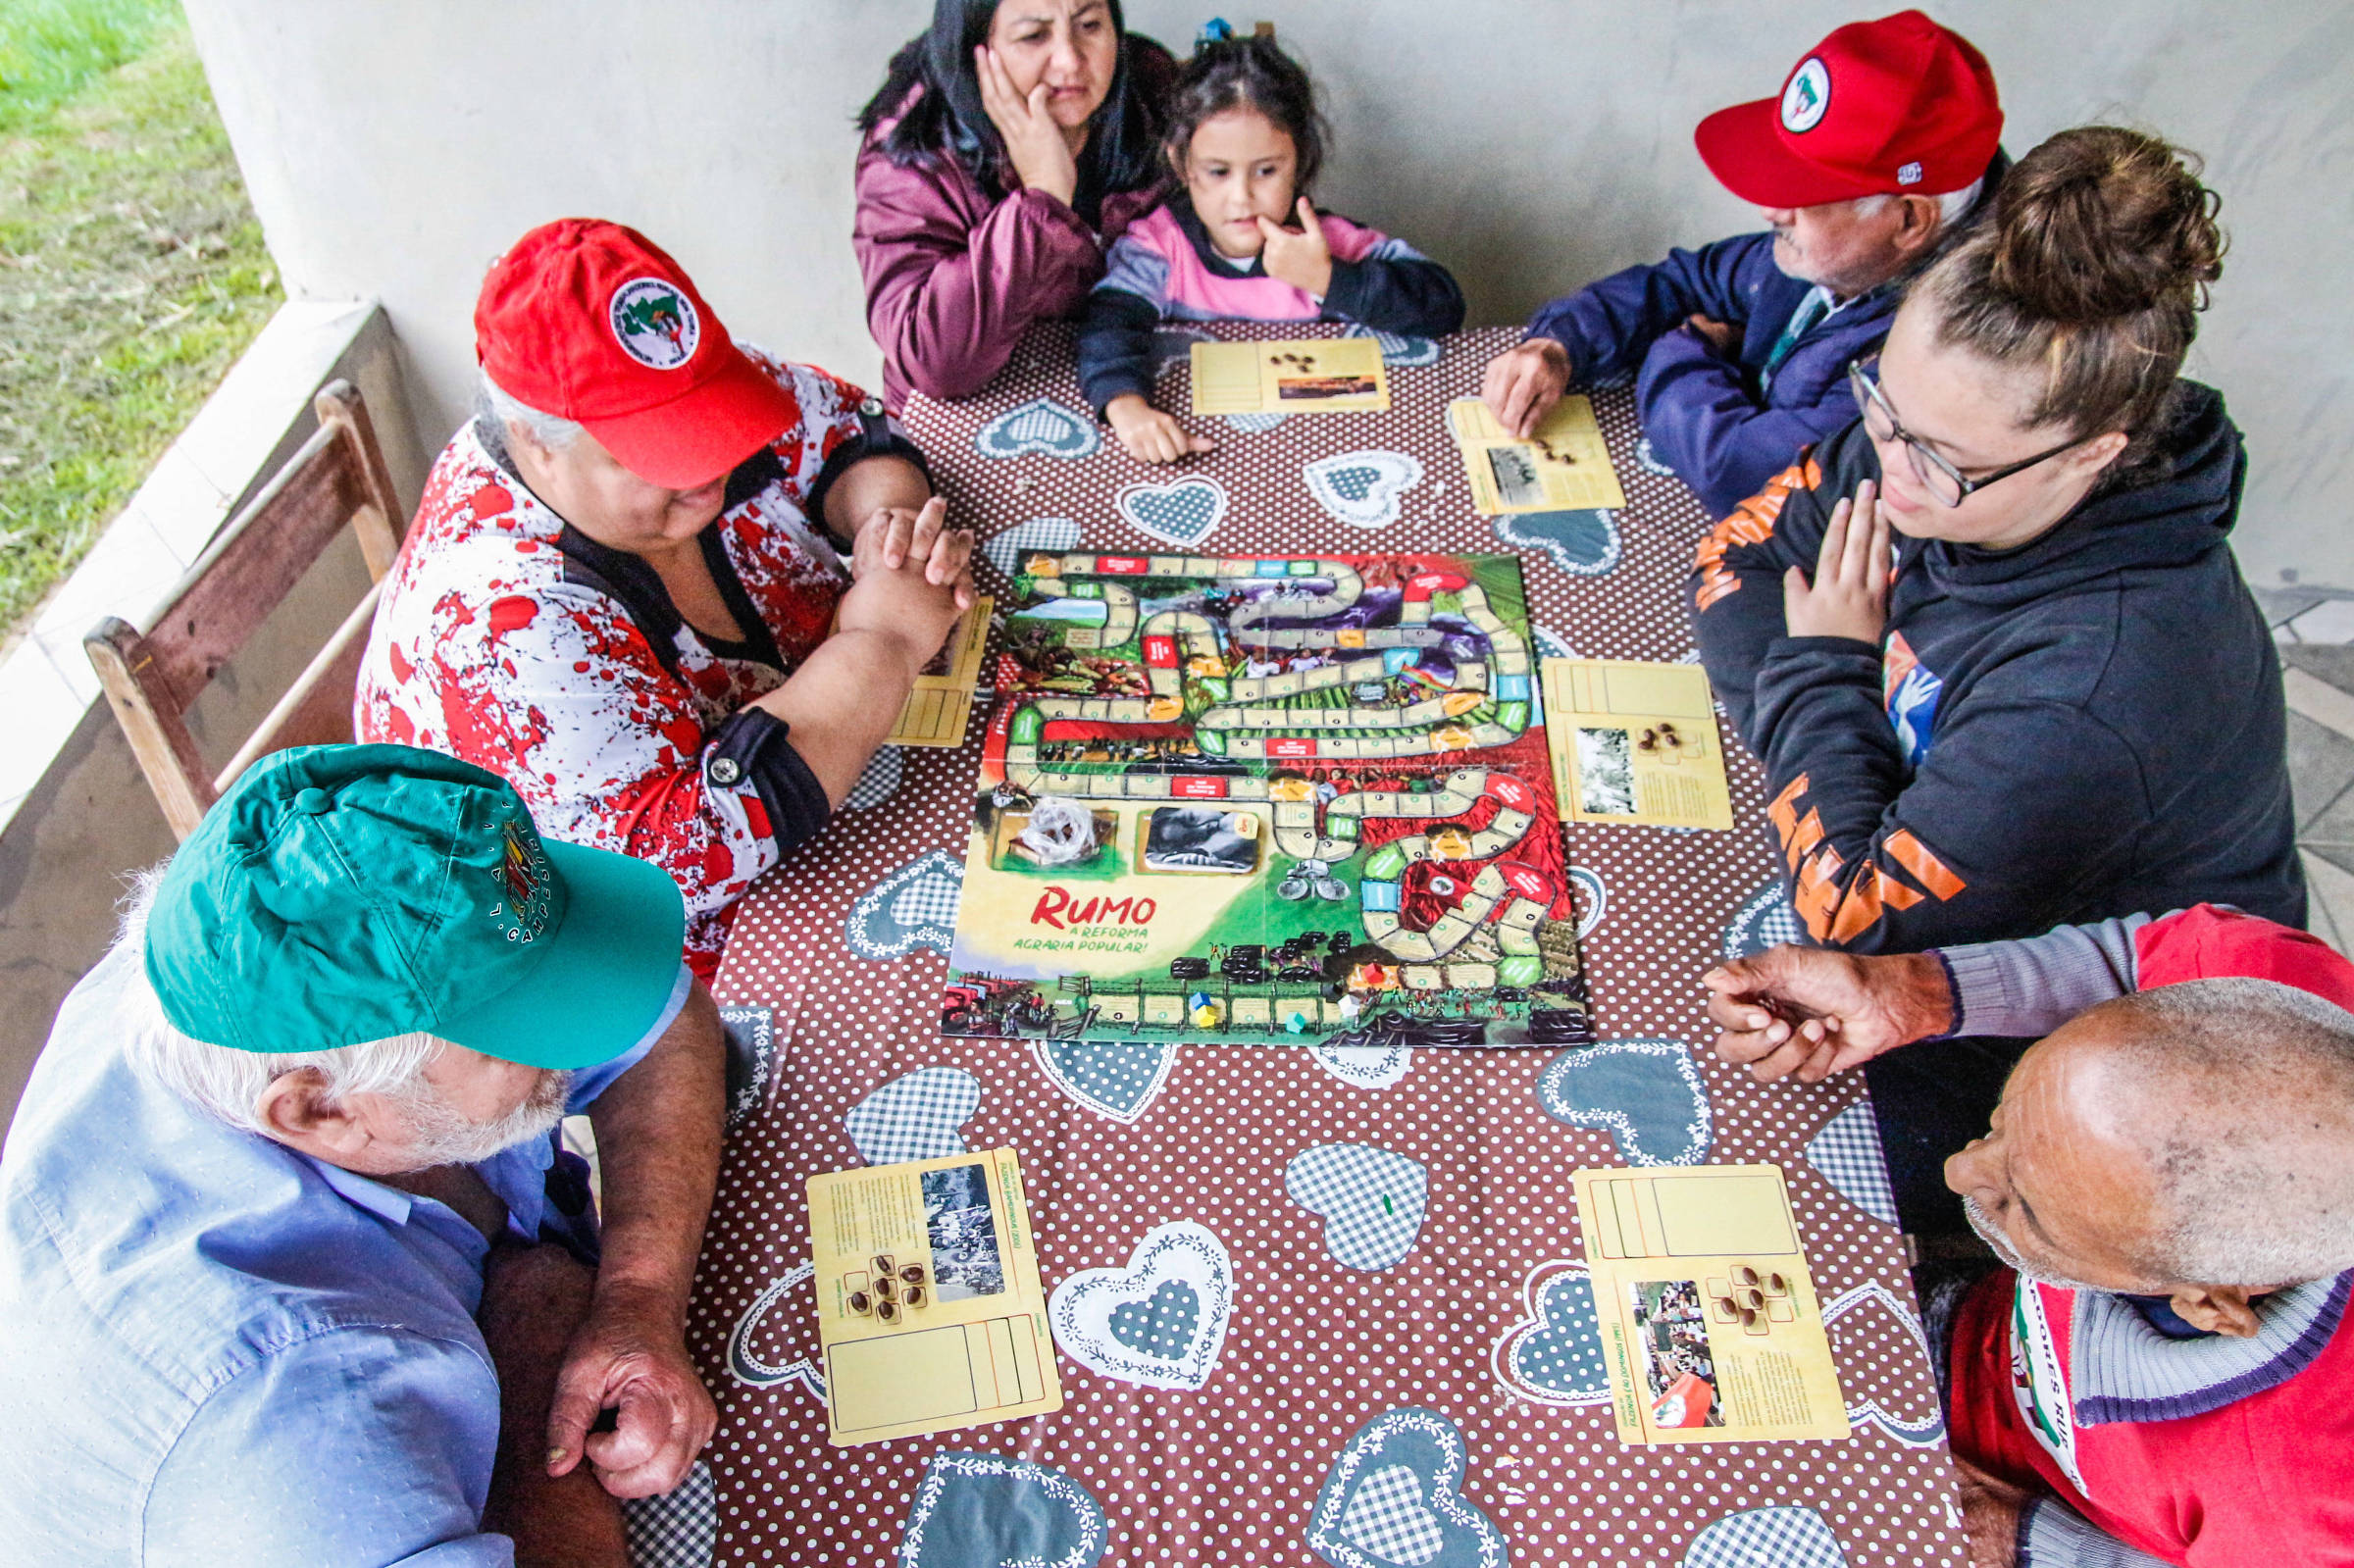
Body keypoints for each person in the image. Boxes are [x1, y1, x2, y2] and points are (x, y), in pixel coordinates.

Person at [0, 745, 727, 1566]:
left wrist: (635, 1295)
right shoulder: (280, 1418)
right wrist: (532, 1341)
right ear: (321, 1108)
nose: (568, 1038)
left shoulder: (226, 955)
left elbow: (656, 1014)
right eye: (512, 1032)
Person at [1687, 126, 2301, 959]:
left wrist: (1828, 663)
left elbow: (1852, 918)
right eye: (1880, 400)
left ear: (2094, 451)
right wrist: (1842, 770)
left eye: (1946, 462)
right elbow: (1735, 557)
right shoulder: (1926, 432)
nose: (1888, 466)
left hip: (2097, 1040)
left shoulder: (2099, 684)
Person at [356, 219, 974, 980]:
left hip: (843, 775)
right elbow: (688, 859)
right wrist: (882, 642)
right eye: (661, 455)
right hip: (660, 972)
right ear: (533, 440)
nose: (708, 473)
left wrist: (890, 527)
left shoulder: (663, 381)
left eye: (708, 421)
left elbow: (846, 434)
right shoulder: (499, 623)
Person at [1702, 905, 2354, 1566]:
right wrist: (1911, 992)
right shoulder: (2280, 996)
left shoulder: (2302, 1505)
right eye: (2003, 1116)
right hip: (1955, 1330)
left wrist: (2030, 1540)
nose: (1961, 1172)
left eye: (2031, 1210)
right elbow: (2135, 953)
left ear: (2206, 1302)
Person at [1481, 10, 2006, 517]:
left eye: (1804, 192)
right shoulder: (1833, 256)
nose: (1770, 209)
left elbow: (1737, 471)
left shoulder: (1944, 360)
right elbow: (1679, 282)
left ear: (1910, 221)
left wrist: (1684, 349)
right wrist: (1558, 344)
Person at [1076, 25, 1464, 463]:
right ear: (1180, 164)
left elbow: (1443, 305)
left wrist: (1328, 277)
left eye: (1265, 172)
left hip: (1319, 455)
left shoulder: (1328, 243)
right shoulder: (1159, 248)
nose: (1241, 198)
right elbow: (1106, 328)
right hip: (1203, 454)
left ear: (1300, 161)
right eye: (1218, 172)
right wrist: (1126, 406)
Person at [855, 0, 1175, 407]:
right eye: (1033, 36)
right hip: (974, 415)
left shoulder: (1152, 93)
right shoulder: (914, 149)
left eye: (1090, 25)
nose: (1070, 61)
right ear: (975, 46)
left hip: (1125, 383)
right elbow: (936, 363)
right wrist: (1041, 197)